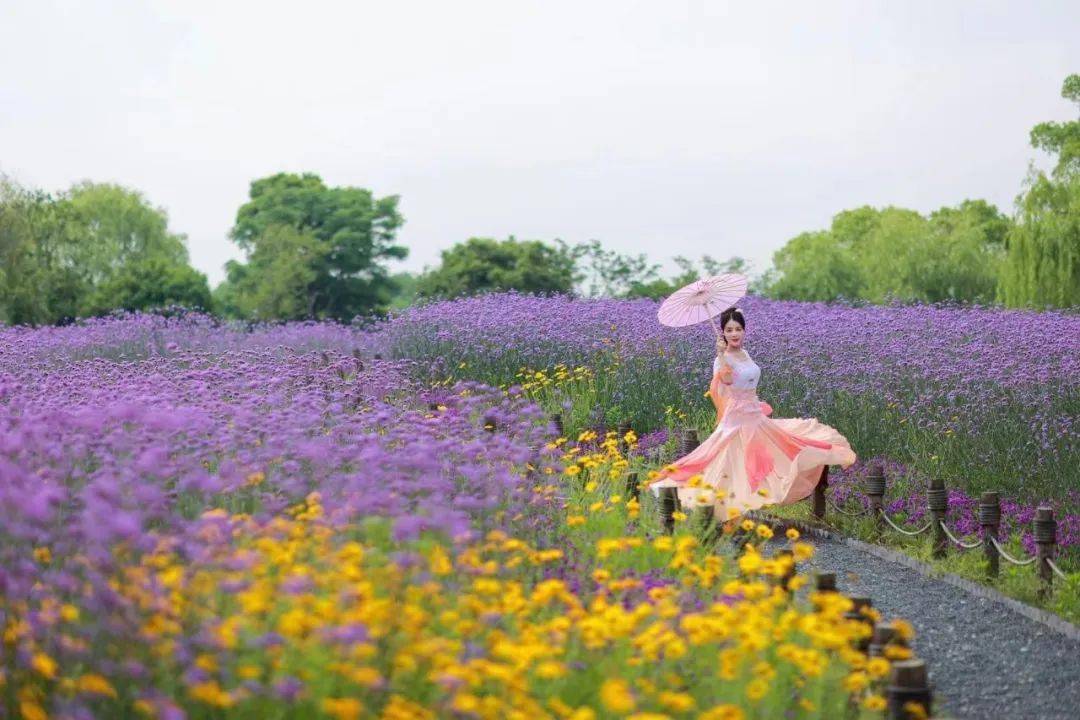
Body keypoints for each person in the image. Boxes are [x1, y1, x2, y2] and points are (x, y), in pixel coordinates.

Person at [649, 306, 855, 518]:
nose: (734, 334)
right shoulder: (721, 360)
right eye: (729, 330)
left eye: (738, 328)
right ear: (723, 333)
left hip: (755, 415)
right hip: (737, 421)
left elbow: (750, 378)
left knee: (793, 447)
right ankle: (713, 506)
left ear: (744, 330)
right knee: (728, 465)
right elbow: (727, 382)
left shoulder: (745, 353)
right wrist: (721, 355)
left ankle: (750, 506)